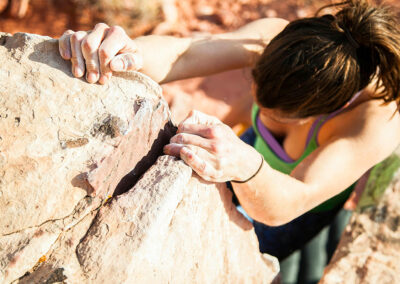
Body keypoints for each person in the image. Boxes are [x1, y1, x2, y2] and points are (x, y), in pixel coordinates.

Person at [59, 0, 400, 282]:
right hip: (253, 156)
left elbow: (291, 201)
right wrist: (124, 54)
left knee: (257, 254)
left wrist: (247, 165)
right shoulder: (279, 41)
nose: (256, 101)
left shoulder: (377, 122)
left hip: (294, 208)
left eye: (276, 115)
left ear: (326, 111)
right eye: (253, 81)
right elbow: (186, 54)